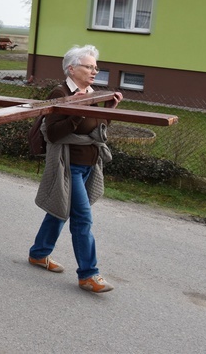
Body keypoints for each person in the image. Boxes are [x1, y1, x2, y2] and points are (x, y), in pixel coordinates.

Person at [28, 44, 122, 293]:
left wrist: (109, 109)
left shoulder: (92, 93)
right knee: (82, 218)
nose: (95, 71)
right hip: (69, 165)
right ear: (71, 68)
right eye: (89, 67)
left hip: (90, 163)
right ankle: (88, 274)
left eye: (95, 67)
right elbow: (55, 135)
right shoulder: (60, 93)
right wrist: (76, 110)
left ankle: (39, 253)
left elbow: (97, 129)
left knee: (60, 210)